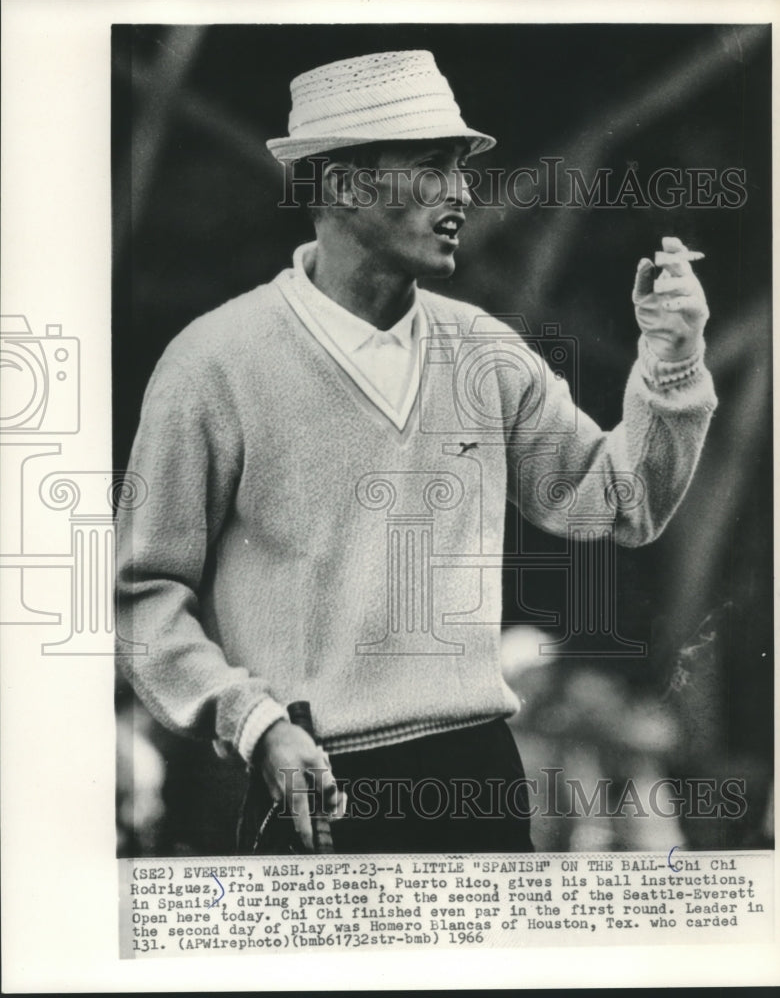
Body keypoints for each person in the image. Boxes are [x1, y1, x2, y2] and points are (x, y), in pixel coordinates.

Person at [115, 49, 718, 855]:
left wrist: (671, 361)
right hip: (295, 779)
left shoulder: (485, 353)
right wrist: (251, 724)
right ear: (343, 187)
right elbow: (143, 592)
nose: (461, 194)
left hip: (478, 780)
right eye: (432, 168)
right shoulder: (213, 361)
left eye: (460, 170)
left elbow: (620, 501)